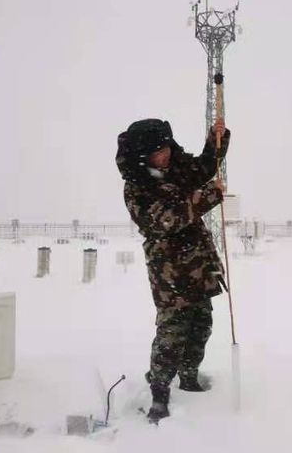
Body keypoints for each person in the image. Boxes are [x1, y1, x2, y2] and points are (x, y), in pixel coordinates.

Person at [115, 118, 230, 425]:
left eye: (166, 147)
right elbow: (167, 220)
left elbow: (204, 168)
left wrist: (215, 140)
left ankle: (189, 378)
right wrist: (208, 196)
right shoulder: (137, 186)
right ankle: (159, 393)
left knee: (201, 324)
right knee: (172, 332)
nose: (165, 154)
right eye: (157, 151)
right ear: (142, 154)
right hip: (170, 271)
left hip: (198, 264)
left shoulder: (177, 167)